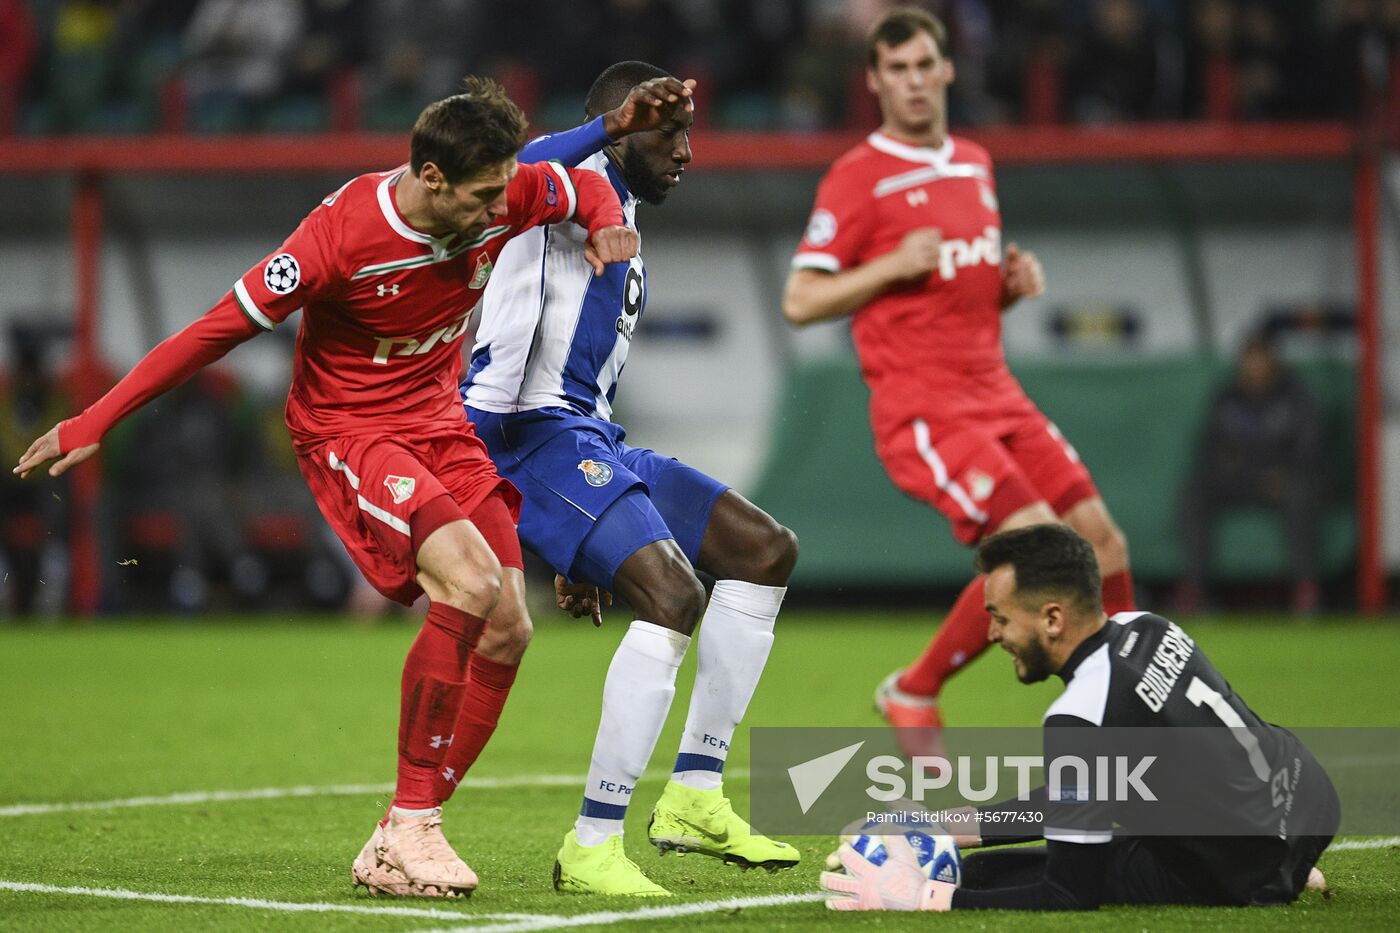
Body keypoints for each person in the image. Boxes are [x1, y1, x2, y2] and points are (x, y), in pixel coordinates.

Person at [14, 77, 639, 898]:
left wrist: (607, 226)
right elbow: (213, 330)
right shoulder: (338, 238)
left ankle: (400, 831)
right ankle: (414, 824)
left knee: (510, 627)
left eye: (504, 193)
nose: (500, 213)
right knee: (473, 581)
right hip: (352, 430)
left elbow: (580, 182)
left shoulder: (503, 187)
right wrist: (97, 416)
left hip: (440, 424)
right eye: (484, 196)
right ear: (431, 177)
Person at [462, 63, 801, 895]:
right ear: (621, 125)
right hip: (521, 432)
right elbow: (524, 163)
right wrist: (613, 126)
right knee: (675, 595)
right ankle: (592, 843)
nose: (685, 151)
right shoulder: (567, 177)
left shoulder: (630, 219)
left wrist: (587, 541)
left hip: (589, 436)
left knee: (762, 551)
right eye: (668, 133)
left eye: (689, 134)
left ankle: (692, 793)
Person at [782, 7, 1136, 756]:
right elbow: (801, 299)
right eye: (896, 70)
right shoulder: (857, 177)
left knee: (1103, 546)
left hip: (997, 390)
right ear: (874, 82)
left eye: (923, 66)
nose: (913, 82)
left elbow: (952, 289)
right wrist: (887, 265)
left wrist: (1005, 287)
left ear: (947, 69)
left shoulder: (975, 160)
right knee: (1038, 544)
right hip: (925, 409)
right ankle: (928, 689)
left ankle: (1126, 714)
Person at [821, 523, 1339, 912]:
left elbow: (1069, 891)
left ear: (1052, 618)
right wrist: (940, 825)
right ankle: (1287, 860)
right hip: (1310, 801)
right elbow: (1074, 797)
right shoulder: (1148, 625)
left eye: (1000, 618)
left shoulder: (1079, 714)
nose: (994, 635)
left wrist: (928, 896)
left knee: (983, 875)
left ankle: (1279, 868)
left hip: (1249, 873)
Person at [1177, 335, 1323, 615]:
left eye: (1261, 361)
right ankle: (1194, 589)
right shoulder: (1228, 396)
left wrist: (1283, 472)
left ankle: (1306, 589)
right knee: (1194, 492)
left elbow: (1311, 448)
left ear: (1272, 362)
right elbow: (1209, 450)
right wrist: (1235, 471)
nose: (1255, 368)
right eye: (1250, 361)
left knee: (1300, 492)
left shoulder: (1296, 396)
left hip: (1281, 480)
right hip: (1238, 481)